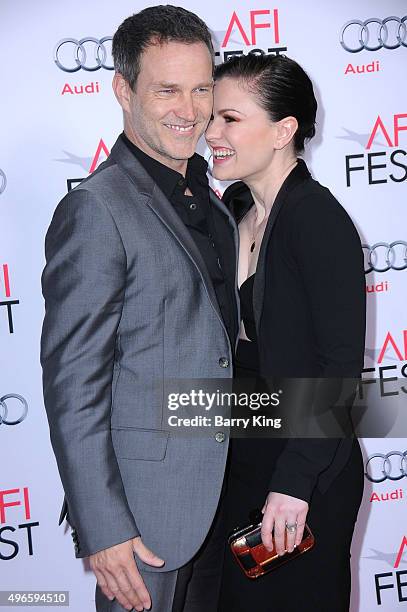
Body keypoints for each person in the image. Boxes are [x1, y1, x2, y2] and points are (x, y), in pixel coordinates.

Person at [40, 6, 239, 612]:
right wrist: (103, 528)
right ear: (123, 91)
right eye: (167, 90)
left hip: (225, 497)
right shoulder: (98, 209)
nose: (190, 108)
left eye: (202, 87)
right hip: (145, 520)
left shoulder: (211, 199)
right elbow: (74, 383)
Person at [206, 54, 366, 611]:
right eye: (212, 117)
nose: (211, 133)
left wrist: (295, 482)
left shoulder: (317, 220)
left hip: (304, 468)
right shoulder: (232, 208)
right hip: (241, 456)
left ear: (283, 131)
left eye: (229, 119)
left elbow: (340, 368)